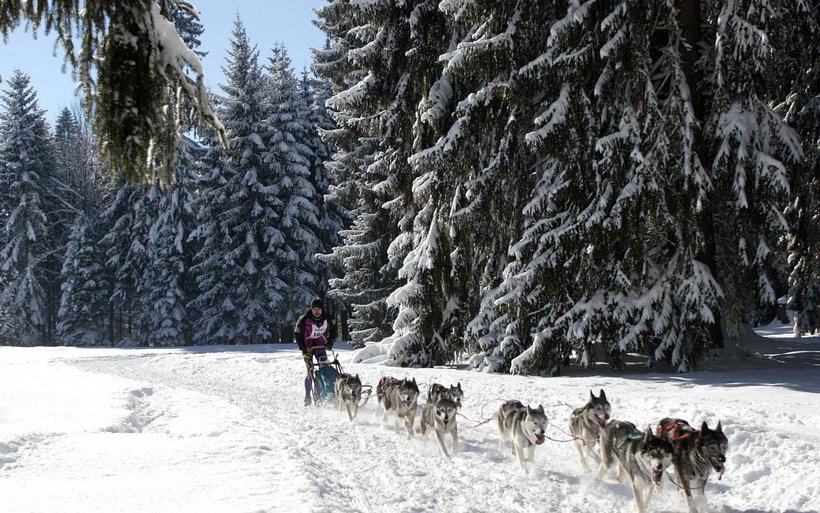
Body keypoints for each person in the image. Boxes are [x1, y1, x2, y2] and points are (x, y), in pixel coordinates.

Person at [294, 298, 336, 406]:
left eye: (319, 309)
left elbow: (334, 331)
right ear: (311, 309)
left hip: (320, 347)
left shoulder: (328, 319)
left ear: (322, 309)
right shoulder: (303, 320)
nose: (316, 311)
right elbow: (297, 335)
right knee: (310, 371)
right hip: (307, 348)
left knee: (325, 368)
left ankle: (327, 393)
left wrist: (329, 343)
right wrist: (303, 348)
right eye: (314, 309)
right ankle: (308, 396)